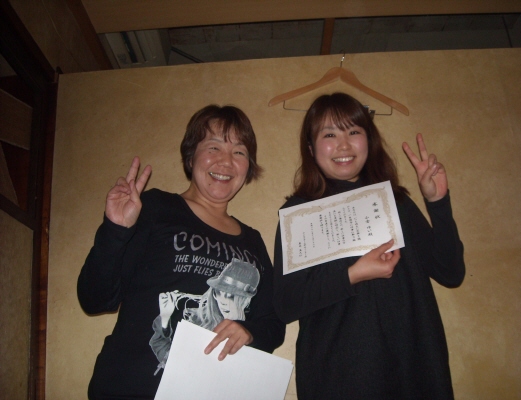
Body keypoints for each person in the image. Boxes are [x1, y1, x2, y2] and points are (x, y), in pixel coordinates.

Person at [78, 105, 285, 399]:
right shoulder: (155, 208)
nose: (226, 161)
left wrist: (250, 333)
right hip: (132, 387)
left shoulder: (252, 241)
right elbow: (95, 299)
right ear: (191, 156)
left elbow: (274, 324)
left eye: (239, 152)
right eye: (214, 147)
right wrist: (115, 230)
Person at [273, 92, 465, 400]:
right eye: (329, 134)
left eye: (353, 131)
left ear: (369, 140)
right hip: (338, 378)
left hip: (415, 370)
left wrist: (437, 202)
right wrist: (352, 275)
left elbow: (451, 273)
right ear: (311, 148)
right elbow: (286, 304)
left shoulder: (395, 202)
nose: (344, 145)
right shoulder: (299, 214)